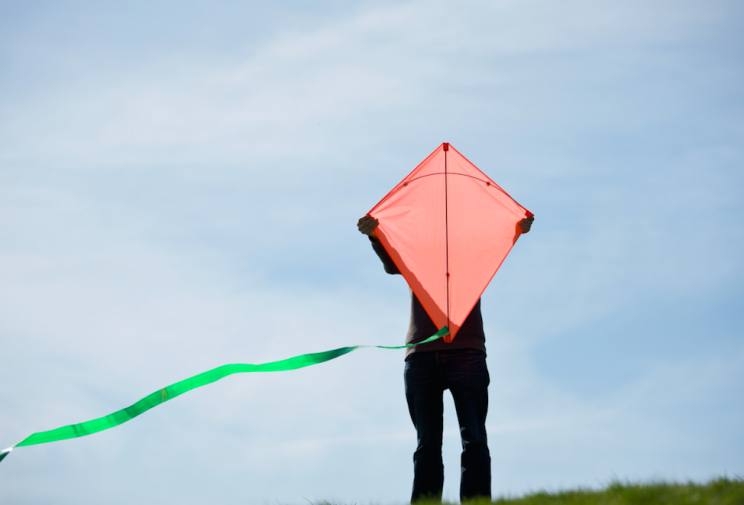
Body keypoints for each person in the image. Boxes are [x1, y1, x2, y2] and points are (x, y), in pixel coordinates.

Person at [357, 214, 534, 503]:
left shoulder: (473, 252)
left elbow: (497, 243)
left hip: (466, 353)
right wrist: (374, 235)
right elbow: (392, 264)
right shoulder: (418, 252)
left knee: (474, 440)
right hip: (421, 357)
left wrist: (516, 228)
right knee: (427, 445)